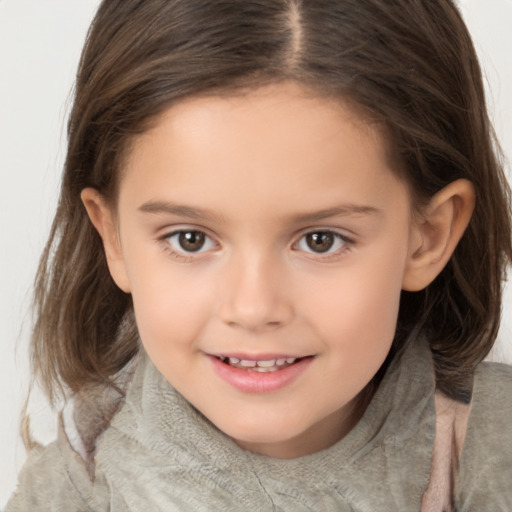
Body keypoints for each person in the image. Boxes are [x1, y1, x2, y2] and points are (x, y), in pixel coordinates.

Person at [6, 0, 512, 510]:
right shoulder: (71, 490)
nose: (253, 308)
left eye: (320, 240)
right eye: (190, 239)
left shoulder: (488, 456)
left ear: (426, 236)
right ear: (113, 237)